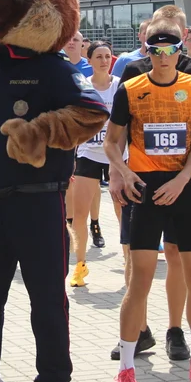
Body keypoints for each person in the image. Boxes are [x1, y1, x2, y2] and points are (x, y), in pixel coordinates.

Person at [106, 20, 191, 382]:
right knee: (140, 280)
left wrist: (187, 179)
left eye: (171, 47)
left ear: (180, 50)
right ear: (147, 50)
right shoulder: (131, 88)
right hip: (146, 191)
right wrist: (123, 172)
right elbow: (110, 142)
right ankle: (125, 370)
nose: (165, 54)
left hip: (183, 189)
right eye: (157, 48)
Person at [70, 42, 119, 287]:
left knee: (124, 212)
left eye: (107, 56)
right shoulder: (83, 86)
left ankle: (129, 259)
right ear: (89, 60)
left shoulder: (120, 86)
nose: (103, 60)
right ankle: (80, 265)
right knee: (80, 214)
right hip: (88, 154)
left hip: (116, 156)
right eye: (98, 56)